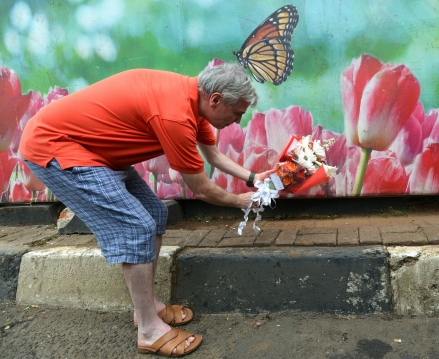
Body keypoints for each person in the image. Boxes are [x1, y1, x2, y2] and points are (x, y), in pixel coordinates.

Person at [20, 62, 272, 357]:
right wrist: (241, 201)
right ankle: (150, 331)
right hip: (56, 147)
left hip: (97, 151)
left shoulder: (194, 99)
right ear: (215, 99)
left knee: (154, 214)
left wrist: (253, 179)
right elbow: (201, 189)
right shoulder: (175, 115)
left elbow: (212, 153)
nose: (238, 120)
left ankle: (147, 310)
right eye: (237, 113)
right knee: (136, 226)